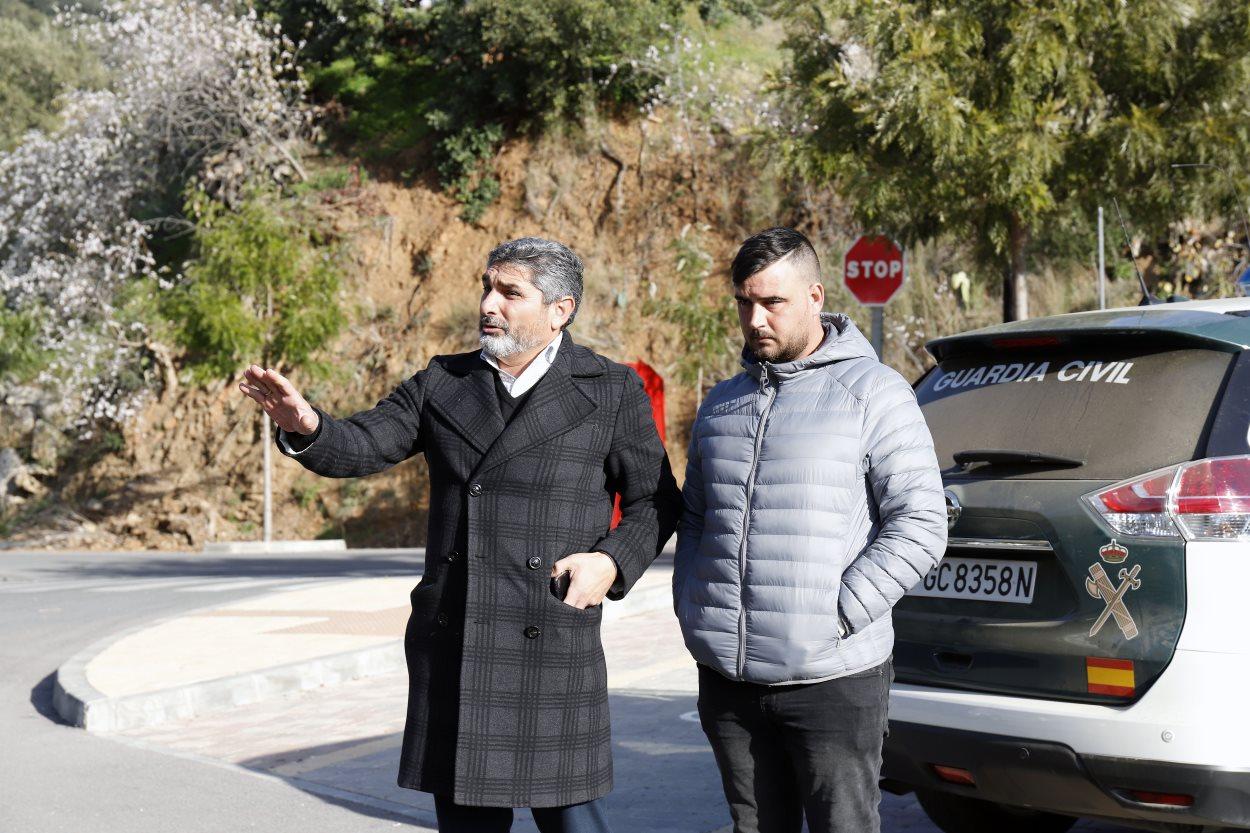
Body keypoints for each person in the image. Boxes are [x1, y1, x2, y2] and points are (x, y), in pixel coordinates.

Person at [239, 236, 681, 833]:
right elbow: (365, 443)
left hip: (550, 631)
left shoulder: (608, 388)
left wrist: (611, 563)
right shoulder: (442, 382)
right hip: (458, 637)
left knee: (571, 816)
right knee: (468, 819)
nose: (488, 304)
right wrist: (308, 426)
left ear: (561, 308)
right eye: (486, 287)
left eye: (509, 292)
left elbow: (657, 500)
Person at [673, 227, 946, 833]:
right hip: (729, 680)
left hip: (834, 680)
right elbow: (696, 518)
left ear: (816, 297)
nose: (755, 318)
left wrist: (837, 615)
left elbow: (922, 523)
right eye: (745, 303)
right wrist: (695, 607)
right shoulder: (721, 405)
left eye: (773, 302)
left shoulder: (875, 394)